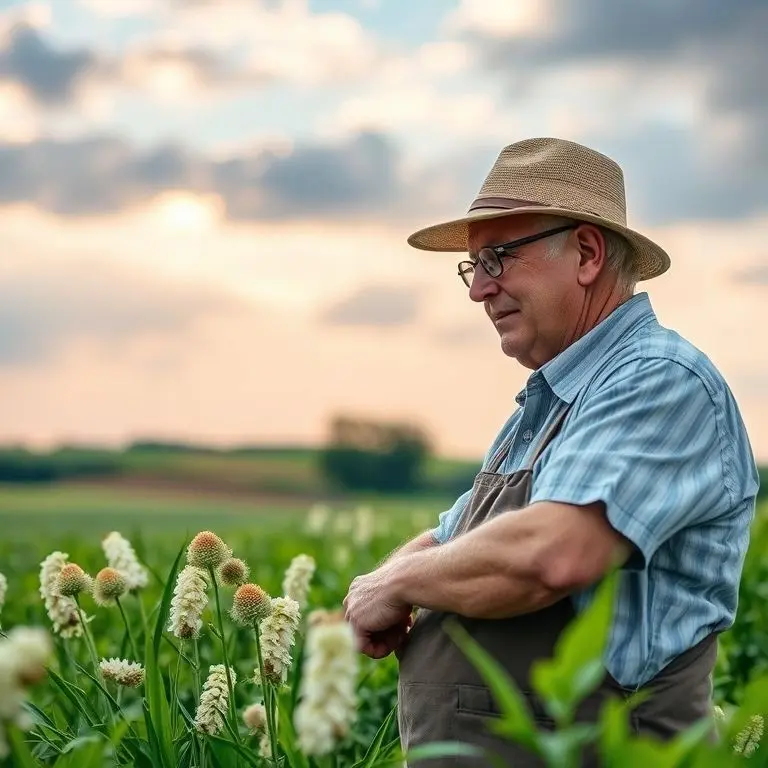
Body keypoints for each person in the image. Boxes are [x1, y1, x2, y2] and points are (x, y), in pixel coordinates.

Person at [342, 137, 760, 767]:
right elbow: (455, 536)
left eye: (498, 258)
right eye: (473, 266)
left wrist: (397, 583)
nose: (479, 290)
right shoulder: (553, 402)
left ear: (587, 253)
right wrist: (379, 583)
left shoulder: (659, 379)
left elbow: (554, 553)